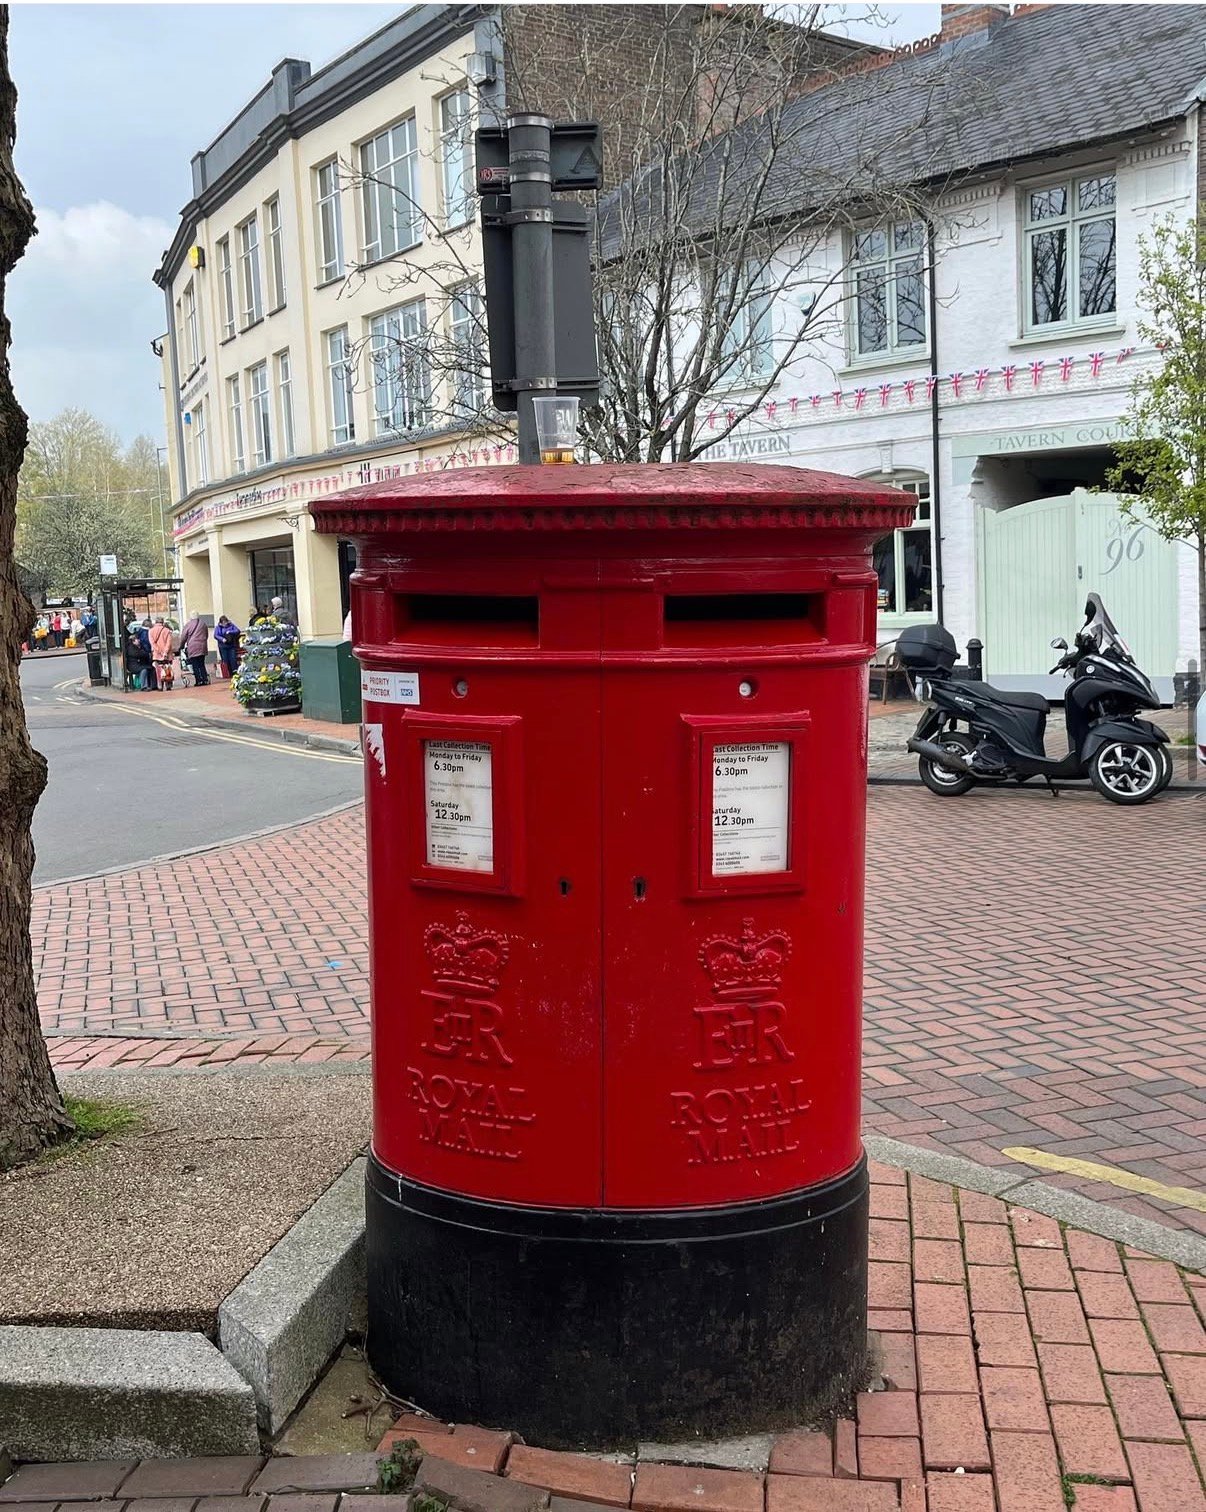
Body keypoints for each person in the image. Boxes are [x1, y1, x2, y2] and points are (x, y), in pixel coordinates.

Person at [179, 611, 210, 686]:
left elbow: (183, 637)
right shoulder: (203, 624)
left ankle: (198, 680)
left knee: (195, 664)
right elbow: (206, 634)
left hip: (192, 647)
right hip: (202, 646)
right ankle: (205, 679)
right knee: (201, 664)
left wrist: (181, 645)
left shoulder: (188, 625)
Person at [149, 617, 174, 689]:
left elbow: (152, 643)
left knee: (158, 670)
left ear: (155, 622)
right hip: (167, 654)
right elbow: (168, 643)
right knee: (167, 668)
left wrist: (159, 651)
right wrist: (165, 652)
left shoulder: (151, 631)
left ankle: (160, 685)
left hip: (157, 654)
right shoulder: (167, 631)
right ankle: (168, 684)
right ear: (162, 622)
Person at [214, 615, 241, 679]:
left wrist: (229, 632)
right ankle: (227, 672)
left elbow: (237, 630)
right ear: (221, 623)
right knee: (225, 659)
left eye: (225, 622)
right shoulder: (218, 627)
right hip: (222, 646)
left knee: (233, 659)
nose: (225, 624)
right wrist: (222, 639)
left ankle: (234, 671)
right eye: (223, 623)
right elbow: (216, 635)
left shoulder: (231, 625)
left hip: (231, 645)